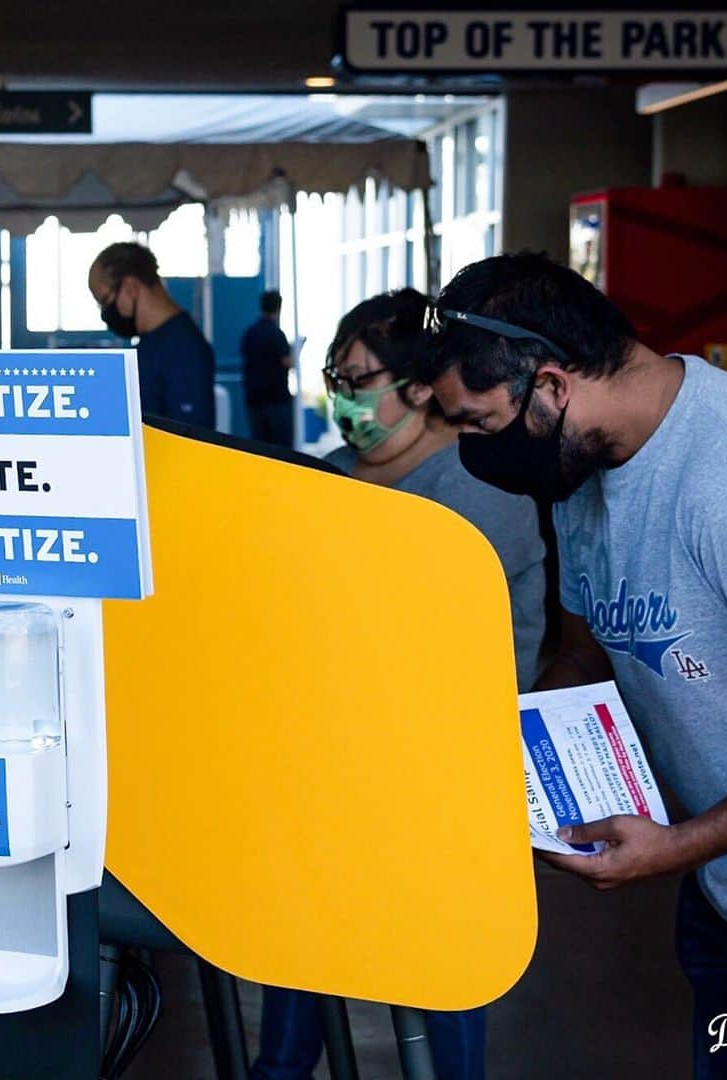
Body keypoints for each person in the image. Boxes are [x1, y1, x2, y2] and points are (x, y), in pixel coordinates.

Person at [424, 251, 727, 1079]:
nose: (469, 449)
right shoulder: (581, 465)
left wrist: (680, 845)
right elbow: (582, 656)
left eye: (473, 421)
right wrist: (512, 777)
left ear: (550, 384)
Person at [251, 288, 546, 1080]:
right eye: (334, 379)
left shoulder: (479, 494)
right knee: (295, 980)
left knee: (440, 990)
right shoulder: (329, 479)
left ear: (420, 387)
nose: (342, 399)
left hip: (437, 787)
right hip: (328, 779)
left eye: (356, 379)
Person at [88, 241, 215, 427]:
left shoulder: (182, 349)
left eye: (105, 301)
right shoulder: (150, 345)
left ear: (131, 287)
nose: (106, 312)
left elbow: (189, 440)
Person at [240, 290, 294, 448]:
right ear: (278, 308)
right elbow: (286, 362)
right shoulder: (277, 334)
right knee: (282, 451)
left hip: (255, 400)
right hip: (276, 400)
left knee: (259, 449)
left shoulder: (250, 334)